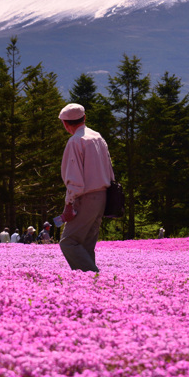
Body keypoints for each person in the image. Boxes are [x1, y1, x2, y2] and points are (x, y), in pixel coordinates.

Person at [56, 103, 114, 272]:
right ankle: (89, 288)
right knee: (86, 244)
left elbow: (74, 179)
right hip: (103, 196)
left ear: (65, 124)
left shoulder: (75, 141)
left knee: (69, 242)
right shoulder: (97, 137)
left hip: (85, 197)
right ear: (84, 118)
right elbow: (109, 168)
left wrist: (69, 204)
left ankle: (95, 277)